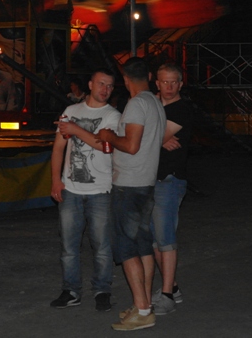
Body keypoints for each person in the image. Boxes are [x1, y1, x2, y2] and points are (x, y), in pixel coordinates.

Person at [96, 57, 166, 332]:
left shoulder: (137, 104)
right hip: (145, 182)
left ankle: (144, 311)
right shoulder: (155, 103)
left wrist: (108, 136)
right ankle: (142, 304)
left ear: (125, 80)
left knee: (127, 249)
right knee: (142, 246)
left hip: (130, 184)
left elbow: (132, 145)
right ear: (148, 76)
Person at [49, 68, 120, 312]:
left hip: (101, 189)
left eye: (110, 85)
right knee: (69, 245)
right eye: (101, 84)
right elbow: (58, 148)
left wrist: (75, 130)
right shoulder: (71, 111)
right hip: (71, 188)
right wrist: (56, 180)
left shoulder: (113, 115)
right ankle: (71, 290)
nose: (105, 89)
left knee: (102, 246)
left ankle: (102, 290)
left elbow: (105, 145)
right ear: (90, 84)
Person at [149, 64, 193, 316]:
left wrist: (154, 137)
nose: (169, 86)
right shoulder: (153, 105)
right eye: (164, 81)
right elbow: (137, 133)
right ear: (157, 83)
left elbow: (140, 138)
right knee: (155, 240)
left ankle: (167, 295)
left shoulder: (181, 109)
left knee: (165, 239)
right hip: (150, 180)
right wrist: (158, 139)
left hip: (169, 180)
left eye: (173, 82)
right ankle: (172, 288)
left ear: (181, 84)